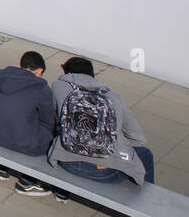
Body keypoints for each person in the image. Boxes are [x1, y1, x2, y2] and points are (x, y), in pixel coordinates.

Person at [48, 56, 153, 190]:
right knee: (146, 154)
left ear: (68, 73)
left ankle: (61, 192)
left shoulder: (58, 87)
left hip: (66, 161)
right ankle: (145, 202)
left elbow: (51, 120)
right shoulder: (113, 97)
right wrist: (112, 142)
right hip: (105, 172)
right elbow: (138, 140)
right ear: (92, 75)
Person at [0, 51, 57, 196]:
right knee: (50, 140)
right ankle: (28, 182)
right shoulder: (41, 88)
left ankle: (1, 167)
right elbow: (47, 120)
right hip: (20, 141)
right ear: (40, 71)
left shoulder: (3, 78)